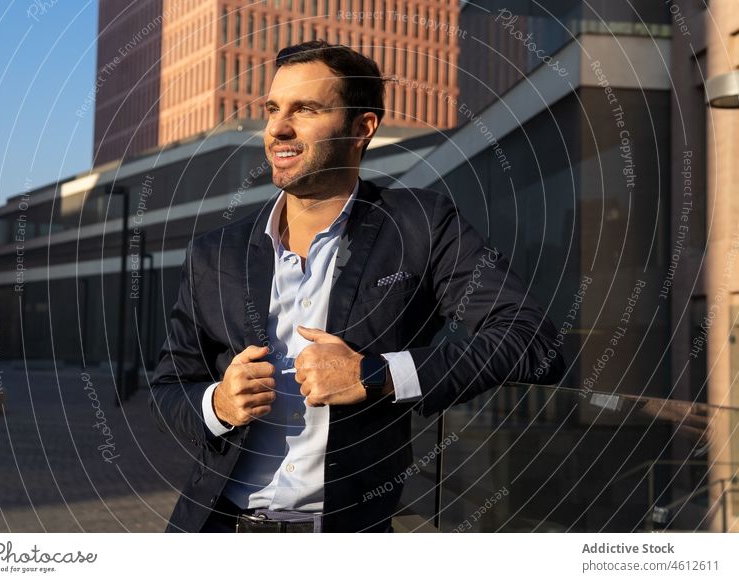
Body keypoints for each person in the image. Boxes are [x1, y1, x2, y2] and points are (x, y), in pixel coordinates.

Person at [149, 40, 566, 533]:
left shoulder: (421, 225)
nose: (278, 128)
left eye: (305, 109)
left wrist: (377, 375)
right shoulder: (214, 254)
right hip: (219, 530)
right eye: (273, 109)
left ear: (361, 128)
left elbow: (531, 338)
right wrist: (217, 404)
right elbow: (168, 386)